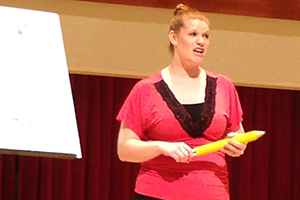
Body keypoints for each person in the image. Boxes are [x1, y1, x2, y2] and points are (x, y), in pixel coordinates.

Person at [116, 3, 247, 200]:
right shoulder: (147, 89)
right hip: (157, 193)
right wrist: (161, 147)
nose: (201, 41)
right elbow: (125, 149)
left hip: (212, 192)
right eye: (193, 34)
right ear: (174, 37)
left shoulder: (223, 86)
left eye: (206, 36)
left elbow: (237, 132)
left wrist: (238, 145)